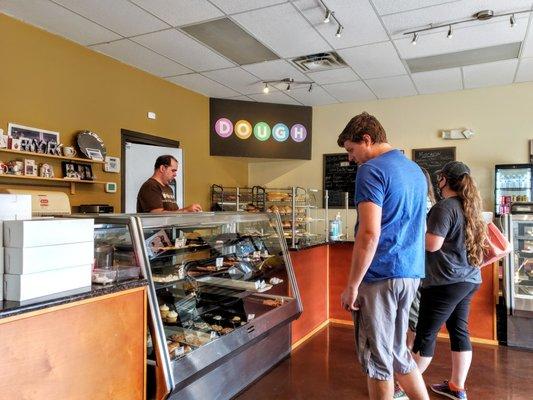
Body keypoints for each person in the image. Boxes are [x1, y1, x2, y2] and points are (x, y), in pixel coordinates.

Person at [337, 112, 429, 400]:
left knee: (377, 361)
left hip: (379, 277)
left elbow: (369, 234)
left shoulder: (371, 170)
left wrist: (352, 285)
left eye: (352, 150)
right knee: (399, 352)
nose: (351, 159)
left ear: (367, 139)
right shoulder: (415, 170)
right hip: (411, 274)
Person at [412, 161, 487, 400]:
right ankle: (457, 387)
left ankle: (402, 389)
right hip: (469, 280)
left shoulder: (444, 207)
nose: (438, 181)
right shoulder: (471, 207)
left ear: (445, 179)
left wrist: (411, 235)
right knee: (459, 331)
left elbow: (432, 244)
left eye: (440, 177)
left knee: (425, 336)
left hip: (445, 282)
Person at [137, 155, 202, 213]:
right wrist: (186, 210)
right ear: (162, 168)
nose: (175, 174)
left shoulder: (168, 188)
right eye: (173, 170)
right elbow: (157, 215)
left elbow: (175, 213)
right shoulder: (150, 186)